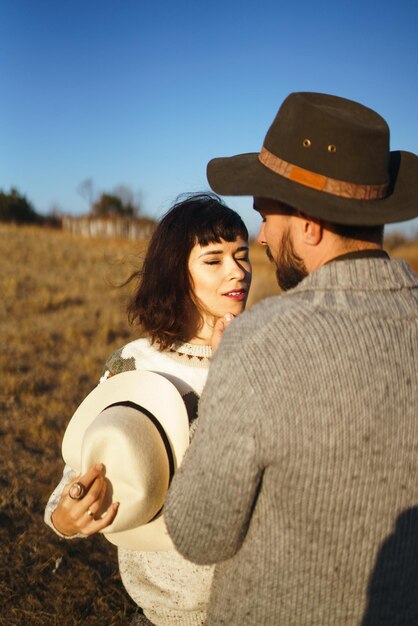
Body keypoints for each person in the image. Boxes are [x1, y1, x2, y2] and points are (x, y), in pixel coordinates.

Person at [164, 92, 418, 625]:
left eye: (267, 214)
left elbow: (199, 534)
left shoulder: (260, 345)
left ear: (309, 224)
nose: (261, 237)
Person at [44, 192, 252, 626]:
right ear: (176, 274)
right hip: (162, 611)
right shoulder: (136, 362)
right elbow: (91, 463)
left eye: (242, 254)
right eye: (213, 260)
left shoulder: (266, 353)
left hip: (251, 606)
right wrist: (65, 516)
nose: (238, 271)